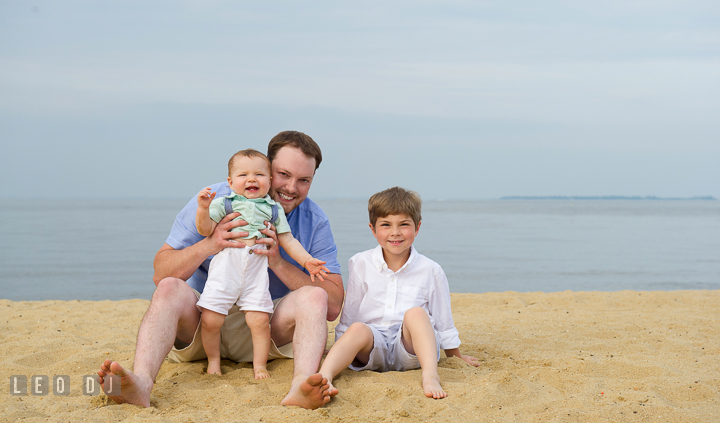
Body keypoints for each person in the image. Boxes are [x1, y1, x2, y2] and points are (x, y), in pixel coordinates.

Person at [97, 131, 344, 409]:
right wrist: (211, 243)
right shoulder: (217, 200)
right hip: (204, 322)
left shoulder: (314, 220)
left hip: (265, 330)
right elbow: (160, 272)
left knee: (315, 297)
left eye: (303, 180)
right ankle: (141, 383)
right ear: (266, 169)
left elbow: (333, 304)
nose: (290, 187)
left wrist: (278, 262)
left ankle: (301, 384)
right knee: (169, 287)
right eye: (283, 174)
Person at [319, 186, 479, 400]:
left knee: (416, 314)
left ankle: (430, 376)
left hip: (410, 348)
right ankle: (324, 377)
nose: (395, 232)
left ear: (417, 227)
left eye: (404, 224)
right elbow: (351, 310)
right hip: (372, 347)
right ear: (373, 229)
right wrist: (342, 345)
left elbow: (443, 319)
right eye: (386, 225)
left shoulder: (431, 270)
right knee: (357, 327)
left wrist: (455, 355)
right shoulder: (360, 262)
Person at [195, 148, 328, 378]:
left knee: (259, 322)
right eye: (243, 175)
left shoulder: (273, 209)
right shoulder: (225, 204)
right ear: (230, 182)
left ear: (269, 180)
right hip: (226, 271)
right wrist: (203, 209)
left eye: (259, 174)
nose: (251, 179)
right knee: (210, 320)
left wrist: (307, 261)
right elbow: (205, 229)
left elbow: (288, 239)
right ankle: (214, 362)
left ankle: (259, 366)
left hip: (255, 274)